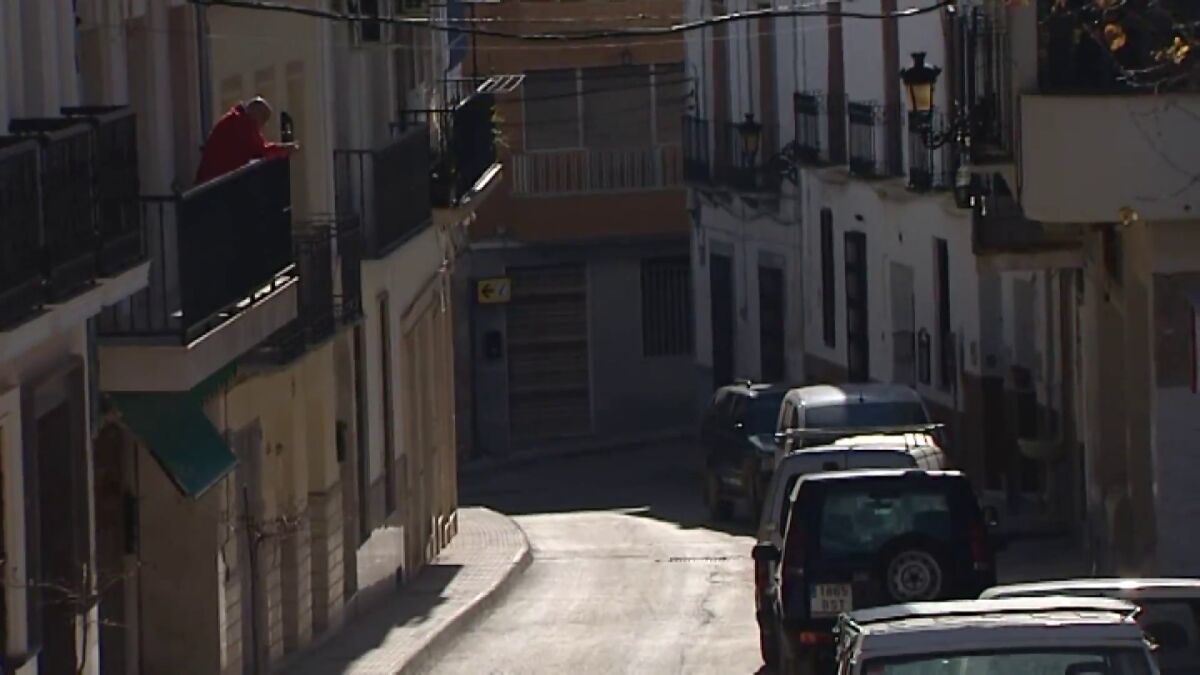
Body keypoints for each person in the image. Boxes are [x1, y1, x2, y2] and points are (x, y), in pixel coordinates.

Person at [194, 97, 300, 185]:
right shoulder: (242, 124)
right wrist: (285, 149)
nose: (263, 124)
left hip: (212, 181)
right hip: (216, 184)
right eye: (264, 118)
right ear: (256, 112)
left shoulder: (236, 119)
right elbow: (262, 150)